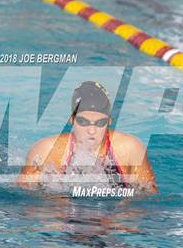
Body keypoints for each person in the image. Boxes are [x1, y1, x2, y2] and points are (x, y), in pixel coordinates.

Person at [16, 81, 158, 194]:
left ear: (109, 121)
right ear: (72, 119)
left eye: (100, 123)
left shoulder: (130, 149)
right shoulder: (47, 150)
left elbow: (148, 198)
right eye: (83, 122)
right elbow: (25, 200)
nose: (91, 131)